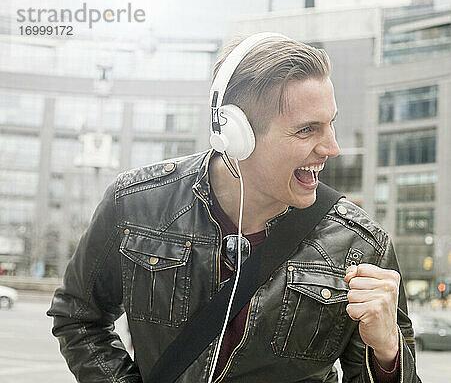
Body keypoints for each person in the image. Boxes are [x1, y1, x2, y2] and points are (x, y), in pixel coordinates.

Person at [47, 33, 421, 382]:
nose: (331, 148)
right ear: (235, 134)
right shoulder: (135, 204)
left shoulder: (363, 246)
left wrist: (387, 354)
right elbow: (78, 317)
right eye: (307, 130)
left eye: (331, 125)